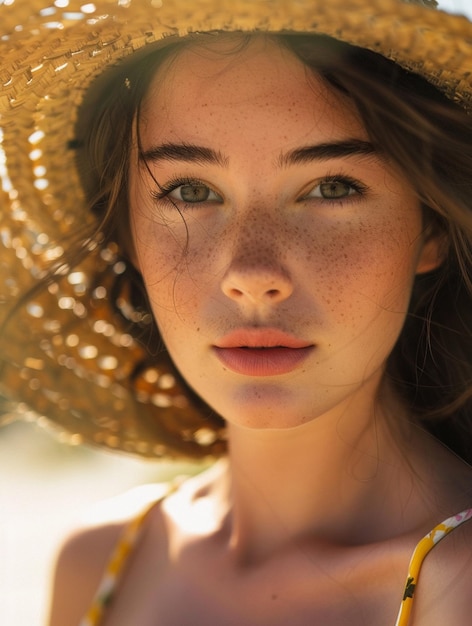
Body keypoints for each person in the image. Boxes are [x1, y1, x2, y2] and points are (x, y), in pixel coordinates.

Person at [0, 0, 471, 624]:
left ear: (430, 227)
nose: (252, 275)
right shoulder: (100, 562)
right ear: (126, 235)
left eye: (332, 187)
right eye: (191, 191)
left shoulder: (457, 584)